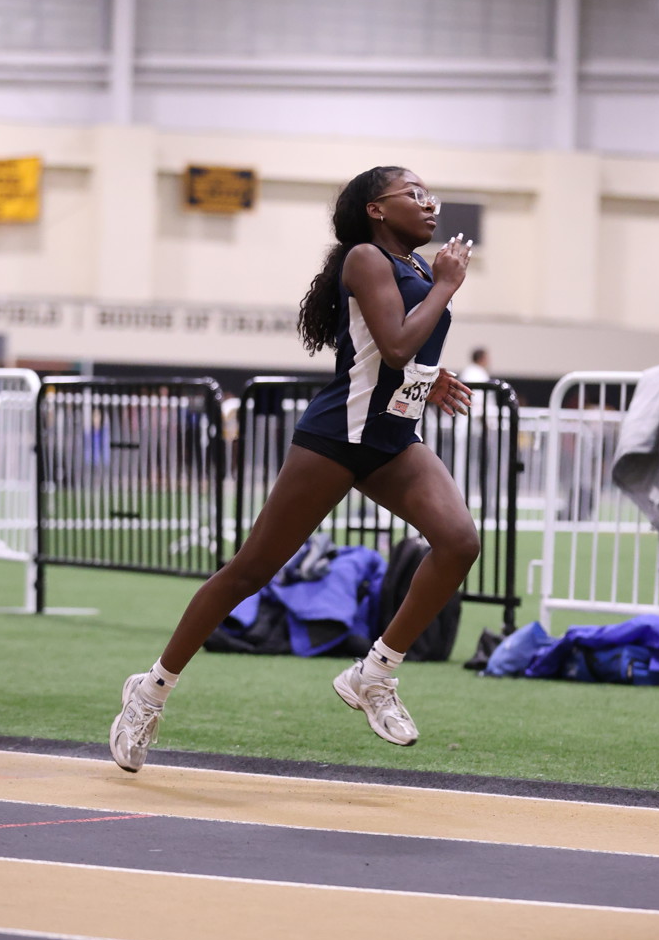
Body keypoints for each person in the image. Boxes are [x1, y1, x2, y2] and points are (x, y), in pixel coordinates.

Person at [110, 165, 477, 772]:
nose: (429, 202)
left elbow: (389, 352)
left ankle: (374, 673)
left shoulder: (415, 266)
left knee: (460, 541)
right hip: (336, 438)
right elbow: (393, 343)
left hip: (391, 438)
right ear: (377, 209)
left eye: (429, 193)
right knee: (250, 572)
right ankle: (149, 691)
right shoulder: (367, 258)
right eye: (413, 194)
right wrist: (446, 286)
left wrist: (428, 377)